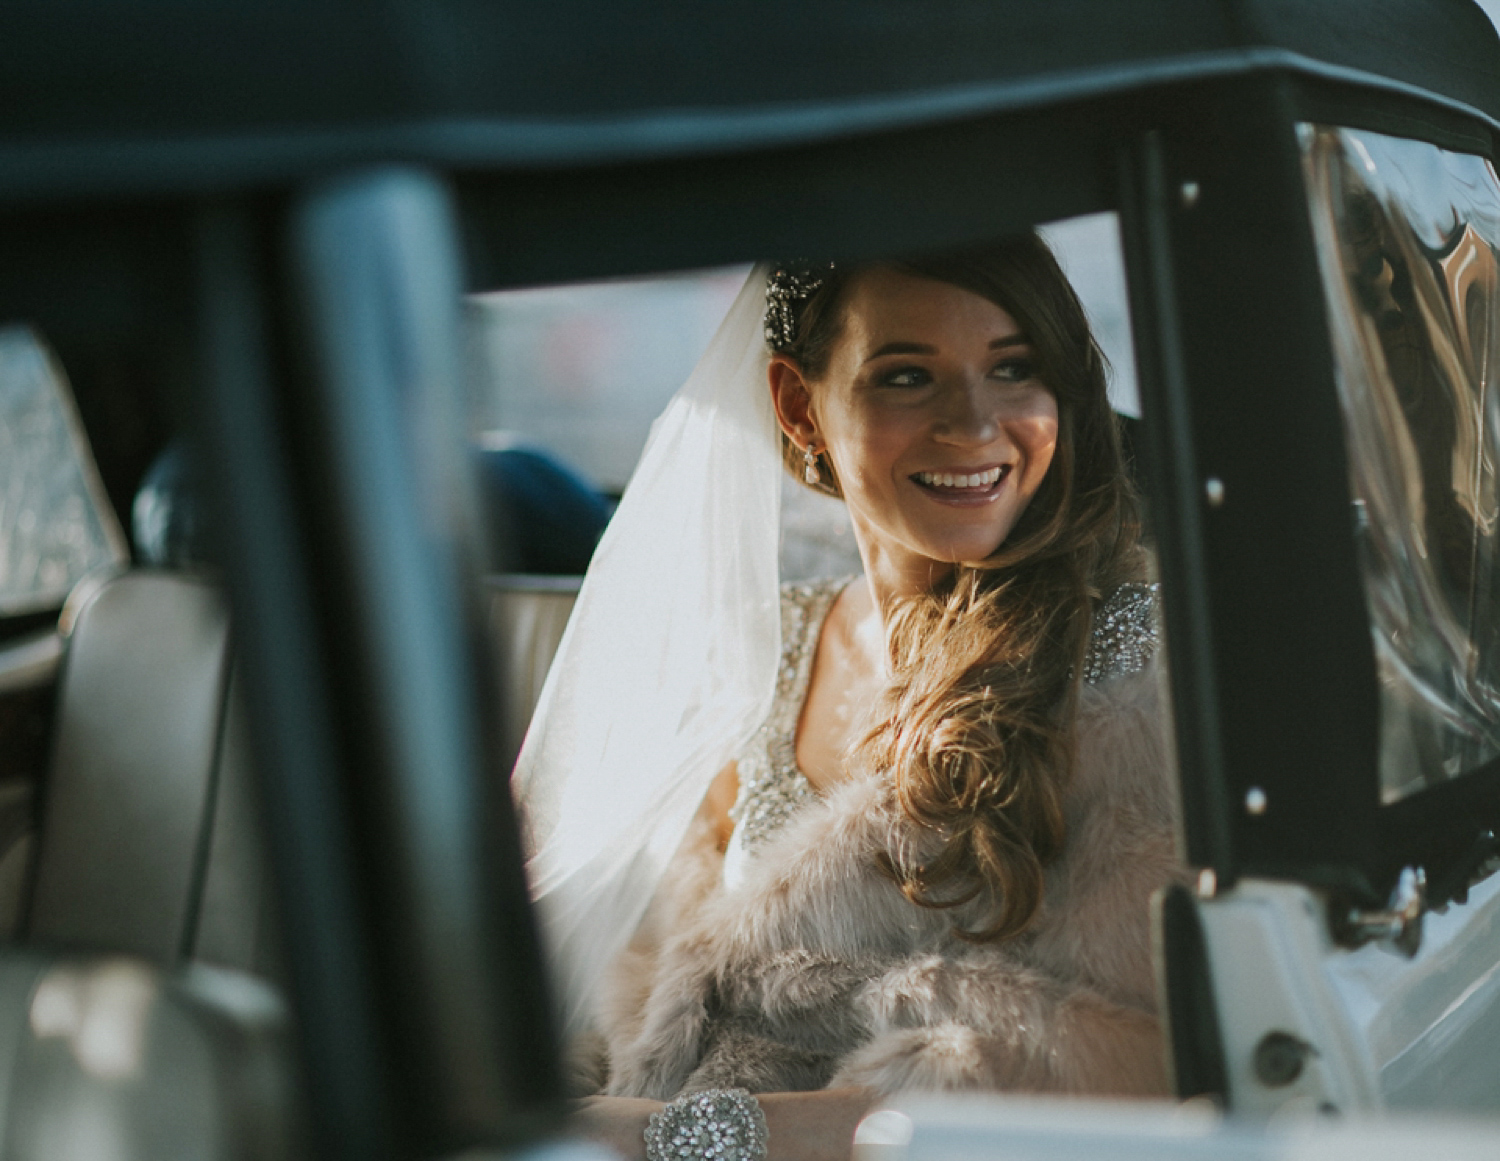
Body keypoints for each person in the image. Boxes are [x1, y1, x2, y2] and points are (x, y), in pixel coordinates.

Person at [514, 236, 1181, 1161]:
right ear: (798, 405)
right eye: (907, 376)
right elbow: (653, 994)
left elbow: (1147, 1070)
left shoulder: (1131, 670)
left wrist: (697, 1137)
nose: (976, 424)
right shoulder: (758, 654)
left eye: (1015, 368)